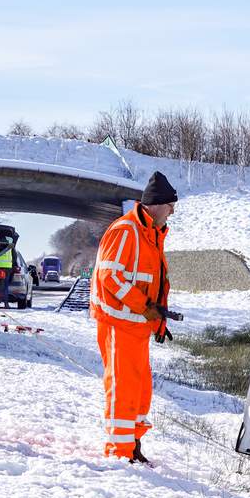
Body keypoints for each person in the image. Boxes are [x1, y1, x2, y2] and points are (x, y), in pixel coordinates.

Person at [90, 171, 176, 463]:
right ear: (155, 204)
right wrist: (144, 307)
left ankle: (133, 444)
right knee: (122, 388)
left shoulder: (152, 234)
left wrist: (158, 321)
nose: (173, 211)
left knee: (140, 391)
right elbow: (110, 277)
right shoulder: (126, 231)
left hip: (137, 327)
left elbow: (155, 283)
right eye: (170, 205)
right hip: (118, 324)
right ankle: (119, 452)